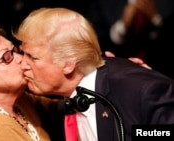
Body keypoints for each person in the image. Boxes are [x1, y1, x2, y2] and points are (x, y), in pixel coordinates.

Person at [12, 7, 174, 141]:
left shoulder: (139, 90)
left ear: (68, 64)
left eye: (32, 57)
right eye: (23, 53)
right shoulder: (64, 99)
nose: (23, 63)